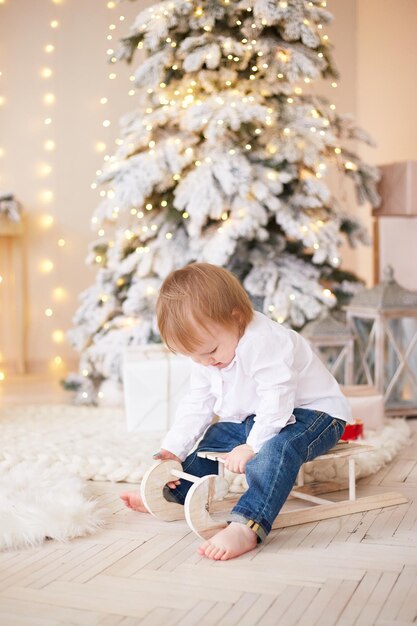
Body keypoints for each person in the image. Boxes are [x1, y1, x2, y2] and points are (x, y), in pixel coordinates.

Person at [121, 262, 352, 561]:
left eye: (212, 351)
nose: (205, 362)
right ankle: (177, 494)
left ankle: (248, 524)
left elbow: (277, 396)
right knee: (216, 435)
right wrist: (173, 448)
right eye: (195, 356)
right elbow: (197, 402)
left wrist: (253, 446)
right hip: (261, 416)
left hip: (315, 414)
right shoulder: (205, 356)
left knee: (277, 448)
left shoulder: (266, 341)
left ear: (237, 318)